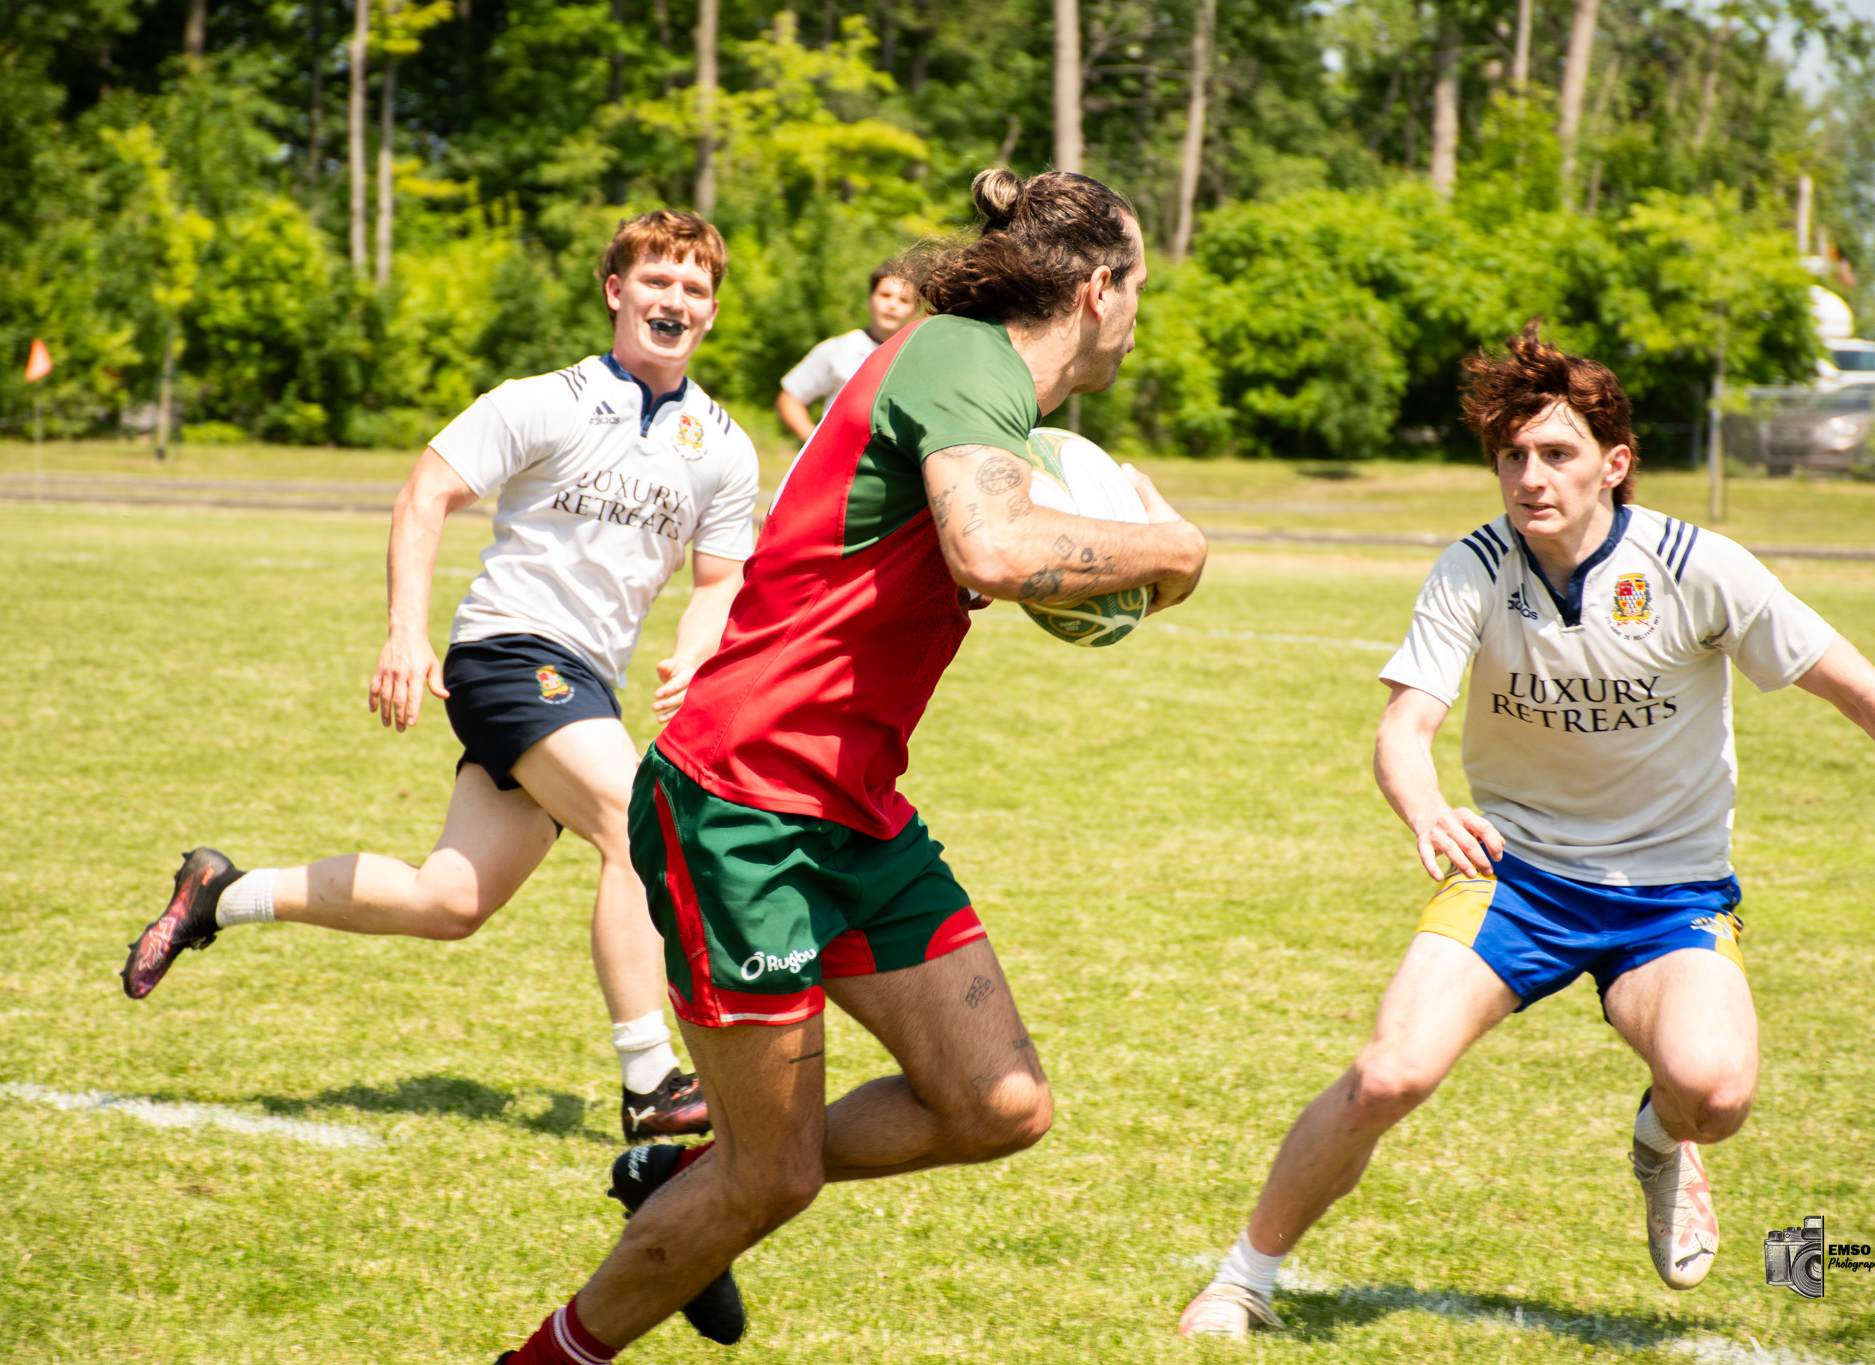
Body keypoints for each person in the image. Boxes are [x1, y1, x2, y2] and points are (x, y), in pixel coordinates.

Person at [490, 169, 1210, 1364]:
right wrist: (1170, 546)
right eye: (1139, 287)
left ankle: (680, 1170)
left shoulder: (973, 378)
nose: (1139, 314)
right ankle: (549, 1355)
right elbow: (992, 545)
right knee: (772, 1182)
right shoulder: (959, 358)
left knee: (997, 1105)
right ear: (1096, 291)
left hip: (850, 811)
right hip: (742, 801)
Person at [1177, 322, 1875, 1339]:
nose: (1528, 476)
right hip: (1513, 876)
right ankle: (1243, 1279)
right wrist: (1424, 807)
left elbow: (1858, 690)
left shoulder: (1696, 567)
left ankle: (1658, 1135)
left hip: (1667, 896)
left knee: (1713, 1094)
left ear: (1614, 462)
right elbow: (1402, 728)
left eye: (1554, 453)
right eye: (1510, 456)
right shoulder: (1472, 568)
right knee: (1388, 1073)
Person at [120, 210, 763, 1145]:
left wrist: (699, 648)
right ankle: (650, 1080)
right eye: (656, 281)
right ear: (615, 291)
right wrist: (403, 635)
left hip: (586, 681)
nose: (676, 300)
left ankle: (222, 891)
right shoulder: (543, 399)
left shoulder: (725, 446)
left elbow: (720, 579)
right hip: (510, 653)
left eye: (695, 288)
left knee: (448, 901)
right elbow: (427, 492)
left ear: (711, 311)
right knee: (643, 828)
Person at [773, 261, 919, 444]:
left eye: (904, 300)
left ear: (914, 310)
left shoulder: (918, 358)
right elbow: (789, 398)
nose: (892, 305)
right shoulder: (838, 349)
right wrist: (815, 444)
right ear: (870, 300)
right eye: (885, 295)